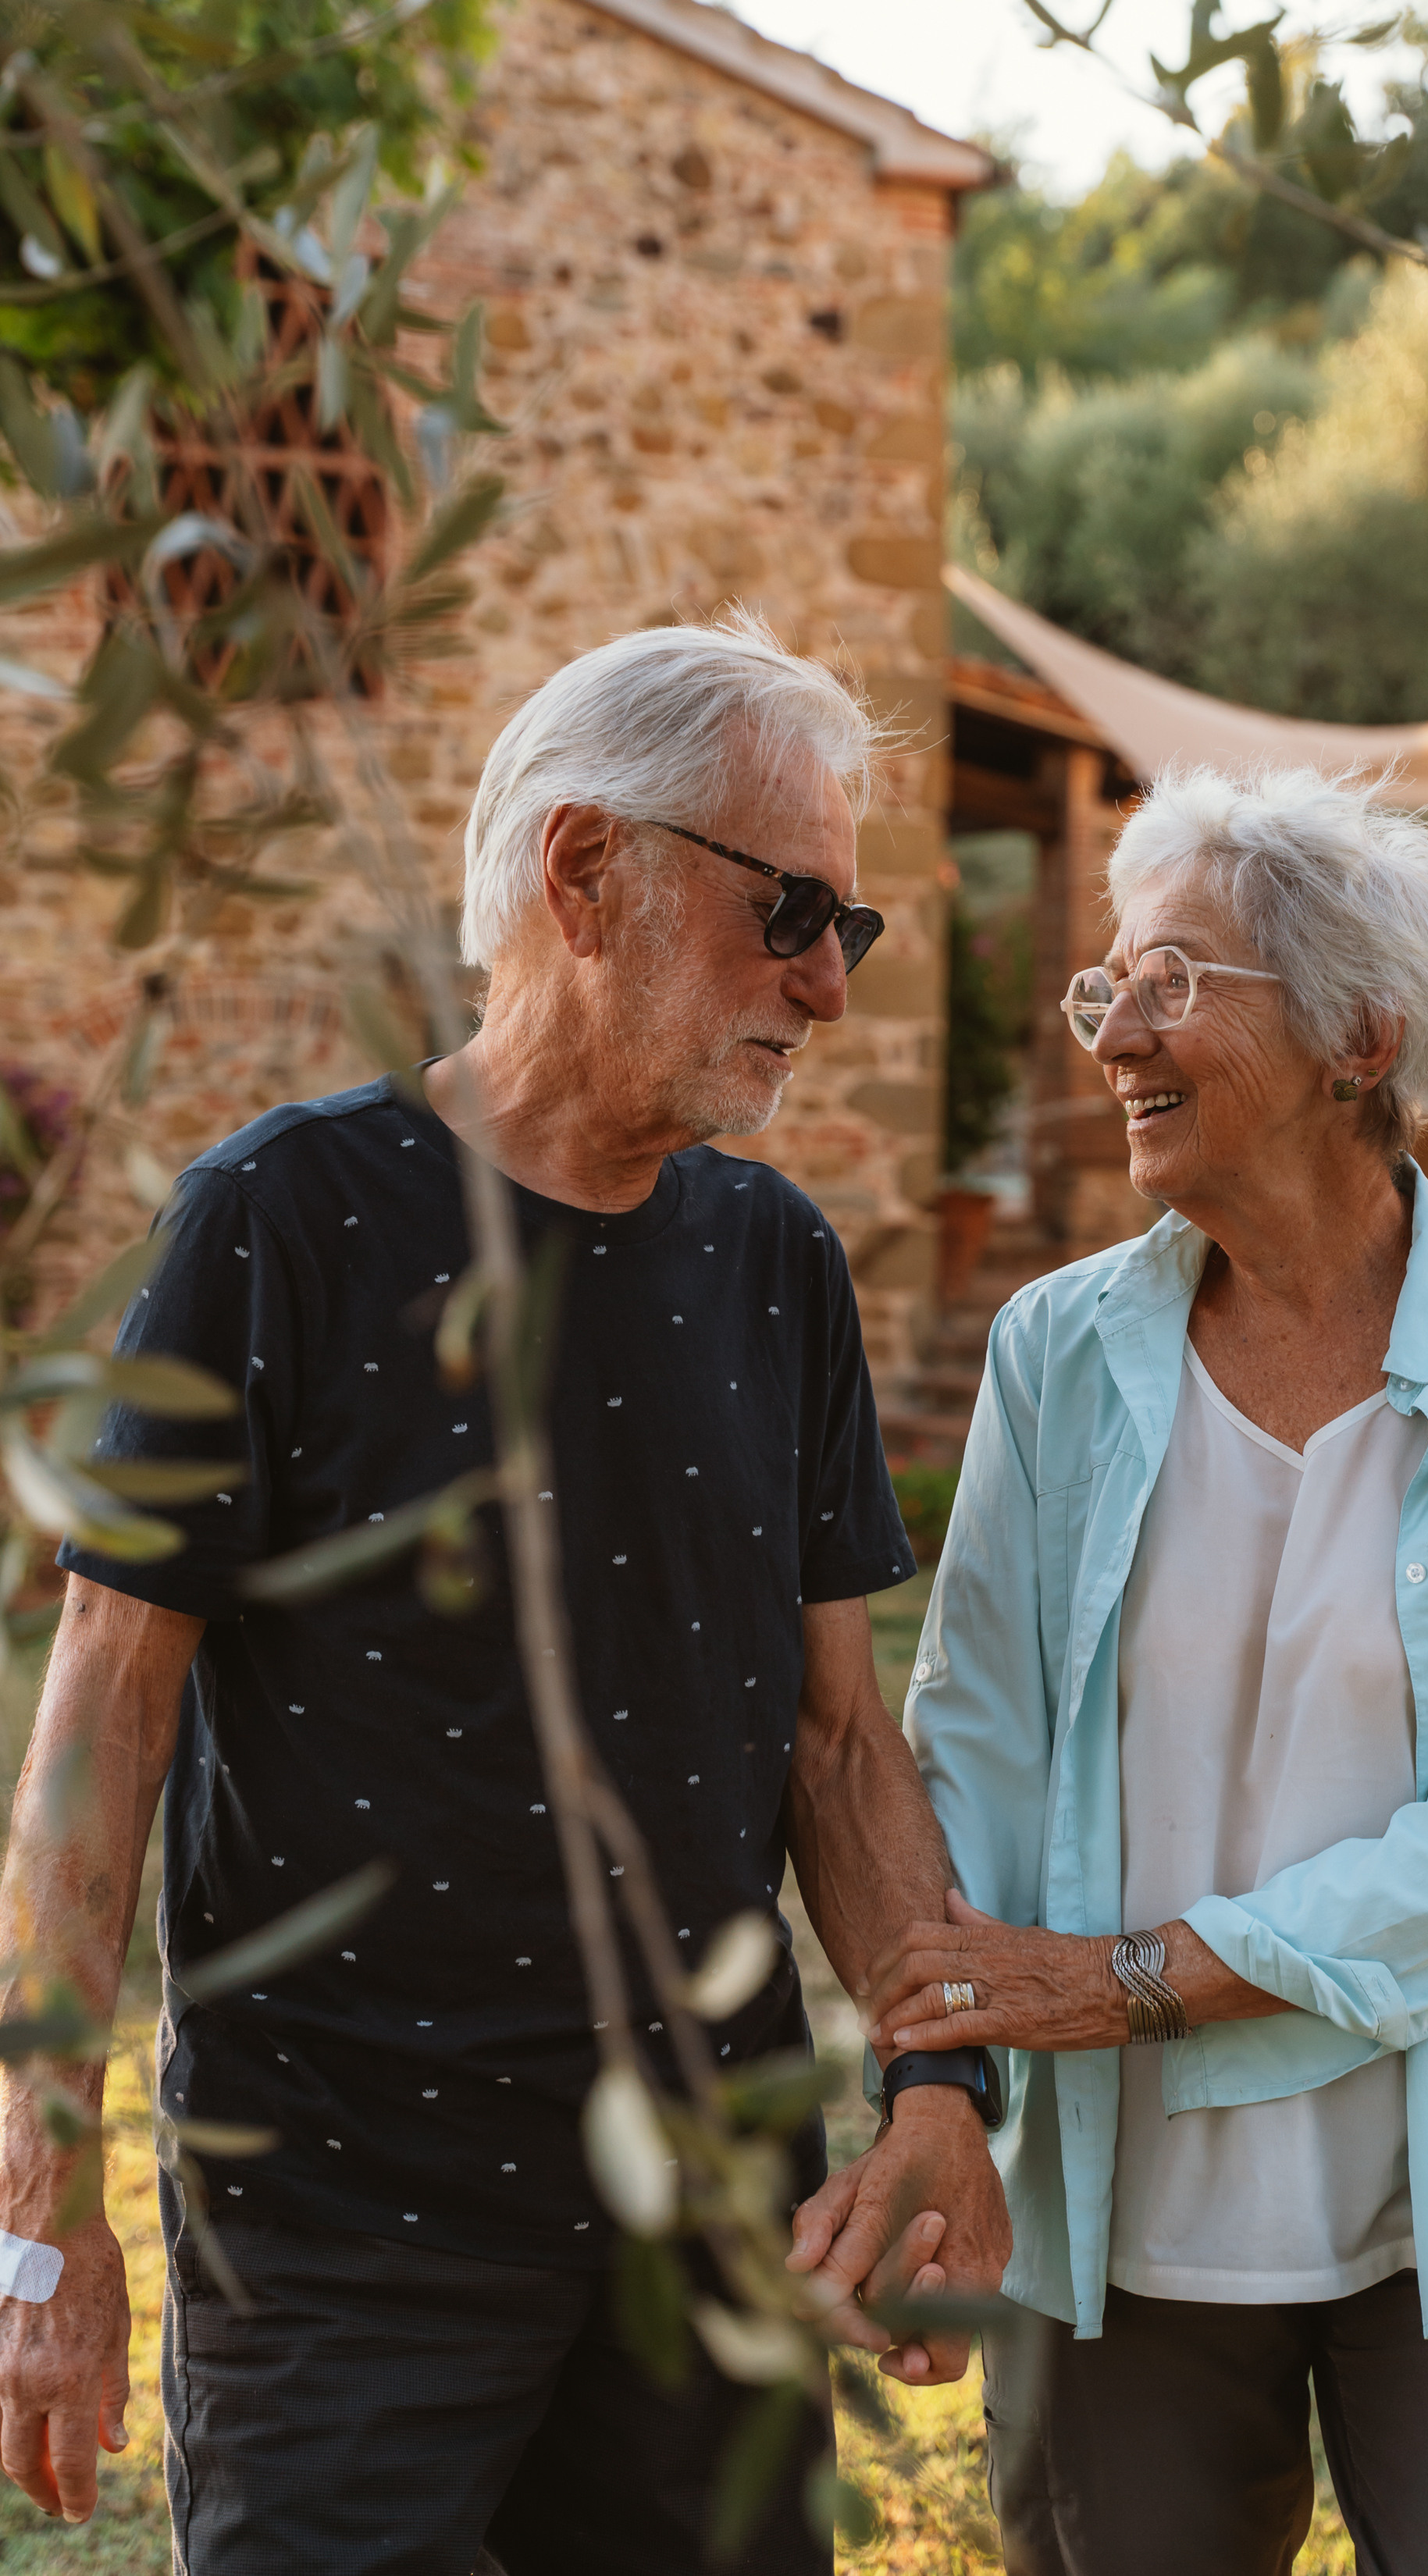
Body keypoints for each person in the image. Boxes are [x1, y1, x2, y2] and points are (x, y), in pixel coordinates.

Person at [0, 614, 1008, 2571]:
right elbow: (100, 1721)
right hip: (336, 2230)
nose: (827, 982)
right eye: (791, 909)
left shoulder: (776, 1261)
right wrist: (39, 2192)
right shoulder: (280, 1222)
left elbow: (833, 1736)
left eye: (851, 932)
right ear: (583, 870)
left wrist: (935, 2078)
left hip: (710, 2237)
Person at [796, 767, 1428, 2576]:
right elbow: (974, 1750)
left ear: (1360, 1035)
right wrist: (937, 2100)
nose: (1115, 1028)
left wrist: (1127, 1981)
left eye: (1175, 982)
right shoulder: (1058, 1351)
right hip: (1125, 2230)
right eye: (1105, 984)